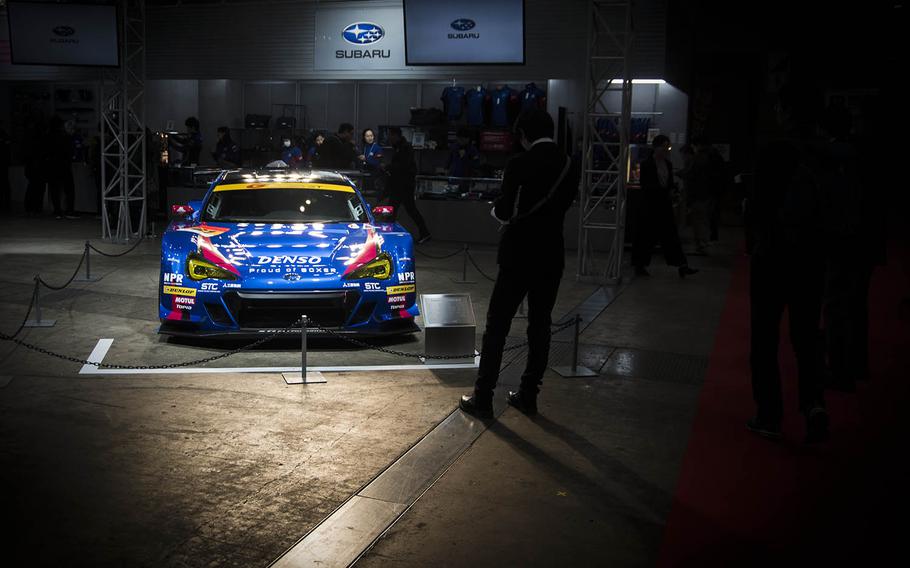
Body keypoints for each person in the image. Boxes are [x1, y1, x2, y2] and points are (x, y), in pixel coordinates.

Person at [459, 109, 580, 419]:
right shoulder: (569, 163)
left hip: (518, 254)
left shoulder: (519, 163)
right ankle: (528, 395)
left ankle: (483, 397)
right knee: (540, 326)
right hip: (551, 253)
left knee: (498, 326)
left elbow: (505, 209)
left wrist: (498, 213)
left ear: (523, 133)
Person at [747, 83, 828, 443]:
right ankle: (813, 402)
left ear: (785, 112)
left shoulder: (774, 152)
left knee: (765, 338)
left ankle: (769, 414)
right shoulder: (828, 155)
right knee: (807, 337)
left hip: (773, 259)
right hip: (812, 260)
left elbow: (758, 207)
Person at [818, 105, 884, 392]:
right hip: (866, 242)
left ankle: (839, 370)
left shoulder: (835, 158)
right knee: (857, 305)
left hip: (843, 242)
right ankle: (857, 365)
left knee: (836, 306)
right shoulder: (867, 154)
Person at [631, 135, 698, 278]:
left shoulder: (667, 164)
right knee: (646, 236)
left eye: (668, 147)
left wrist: (672, 190)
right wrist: (662, 190)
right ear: (656, 147)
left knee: (671, 235)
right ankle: (640, 265)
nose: (666, 150)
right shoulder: (646, 164)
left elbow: (668, 183)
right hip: (650, 206)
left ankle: (682, 265)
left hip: (663, 205)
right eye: (664, 147)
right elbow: (645, 185)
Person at [384, 126, 431, 243]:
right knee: (401, 209)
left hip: (403, 185)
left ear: (395, 135)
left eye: (390, 135)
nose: (389, 138)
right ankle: (424, 232)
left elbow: (403, 166)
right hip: (402, 185)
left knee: (397, 209)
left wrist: (388, 167)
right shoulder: (400, 147)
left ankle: (388, 234)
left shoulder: (404, 148)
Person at [46, 116, 77, 219]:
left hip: (52, 166)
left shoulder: (49, 136)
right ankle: (69, 211)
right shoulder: (65, 136)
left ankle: (57, 211)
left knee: (55, 189)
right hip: (64, 166)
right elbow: (70, 151)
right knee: (69, 189)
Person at [447, 128, 481, 192]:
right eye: (458, 139)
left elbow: (476, 164)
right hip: (454, 176)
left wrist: (466, 158)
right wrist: (446, 169)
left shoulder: (473, 150)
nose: (460, 141)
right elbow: (449, 159)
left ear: (467, 139)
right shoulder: (454, 147)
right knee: (451, 195)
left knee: (464, 195)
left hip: (466, 178)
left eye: (462, 139)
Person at [0, 122, 10, 213]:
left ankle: (6, 204)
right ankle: (6, 204)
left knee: (4, 183)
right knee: (5, 184)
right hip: (4, 163)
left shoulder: (4, 135)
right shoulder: (4, 135)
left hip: (3, 163)